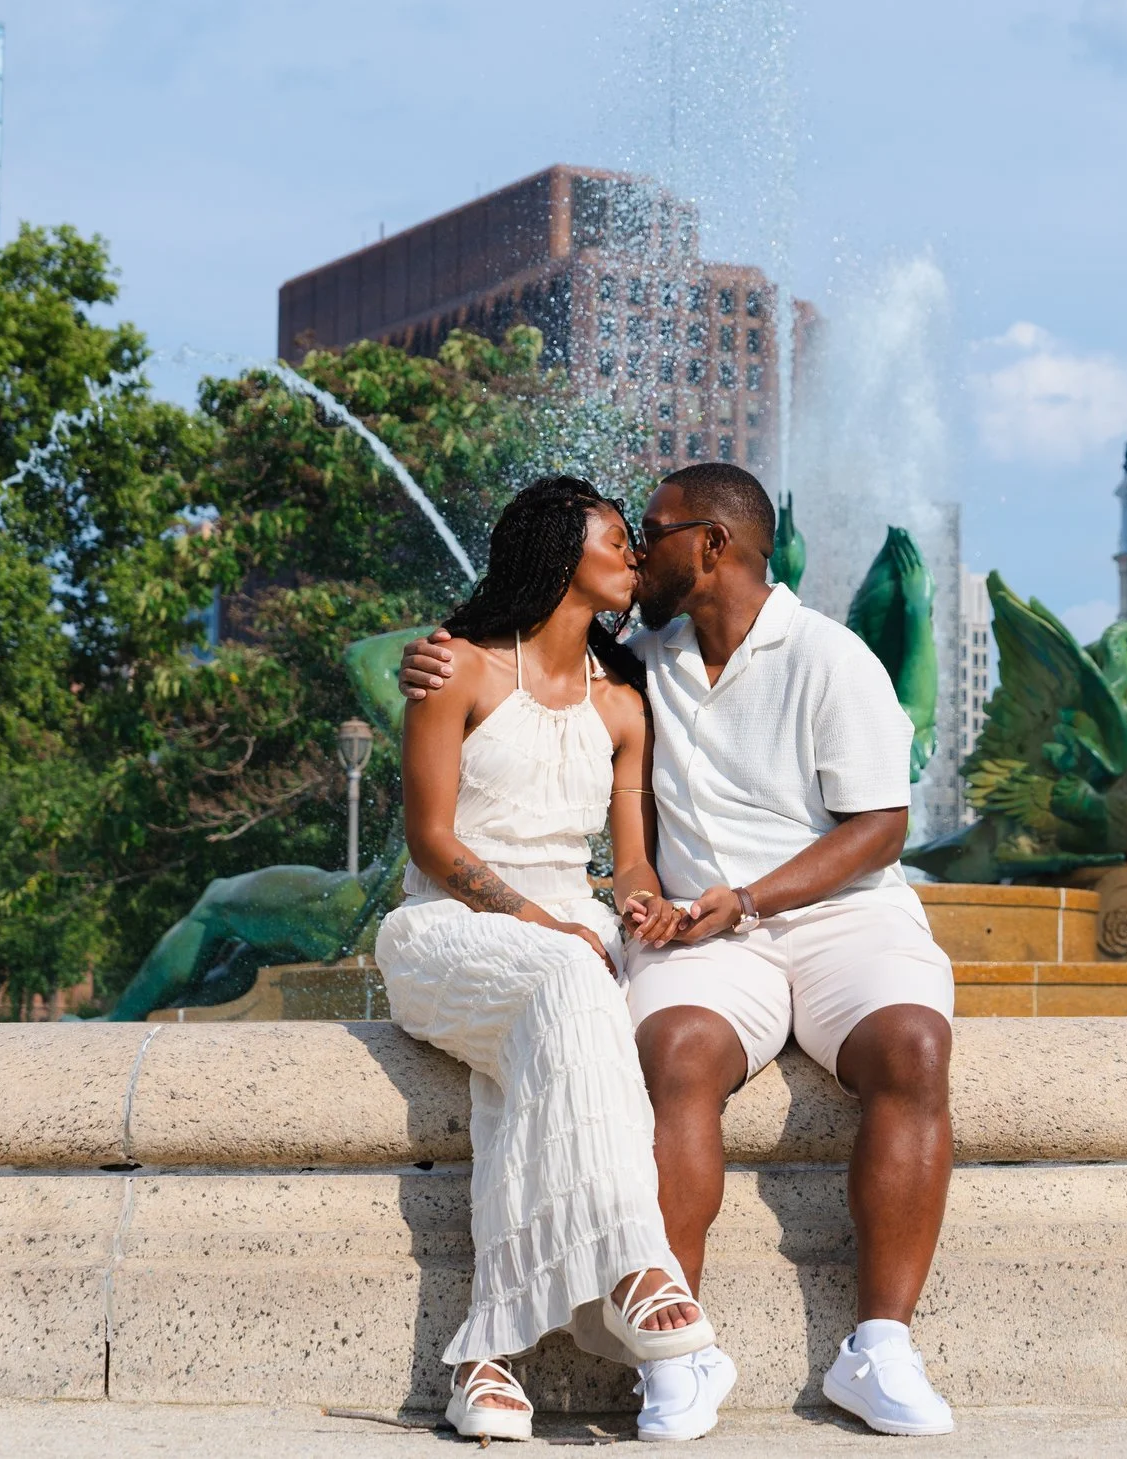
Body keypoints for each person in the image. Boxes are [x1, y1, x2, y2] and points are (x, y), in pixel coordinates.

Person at [405, 461, 959, 1438]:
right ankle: (678, 1349)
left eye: (648, 532)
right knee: (674, 1056)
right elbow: (513, 675)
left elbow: (879, 826)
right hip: (691, 936)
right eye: (621, 536)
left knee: (912, 1044)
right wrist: (648, 906)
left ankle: (879, 1347)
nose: (635, 550)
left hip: (840, 915)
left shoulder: (829, 658)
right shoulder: (639, 660)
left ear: (712, 544)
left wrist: (714, 899)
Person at [377, 475, 723, 1445]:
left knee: (534, 1060)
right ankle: (636, 1263)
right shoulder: (455, 670)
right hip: (448, 926)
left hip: (569, 930)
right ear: (560, 555)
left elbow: (629, 861)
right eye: (617, 540)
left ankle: (486, 1359)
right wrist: (539, 918)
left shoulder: (623, 706)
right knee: (574, 975)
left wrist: (643, 901)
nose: (634, 557)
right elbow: (434, 842)